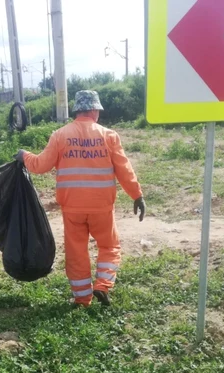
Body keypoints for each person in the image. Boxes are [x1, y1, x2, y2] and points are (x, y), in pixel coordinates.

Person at [16, 90, 146, 307]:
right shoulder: (109, 136)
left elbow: (40, 165)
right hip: (102, 206)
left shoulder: (60, 135)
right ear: (95, 110)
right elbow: (124, 169)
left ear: (77, 110)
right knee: (109, 246)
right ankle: (103, 285)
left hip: (72, 207)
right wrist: (137, 195)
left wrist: (23, 155)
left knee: (76, 252)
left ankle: (82, 298)